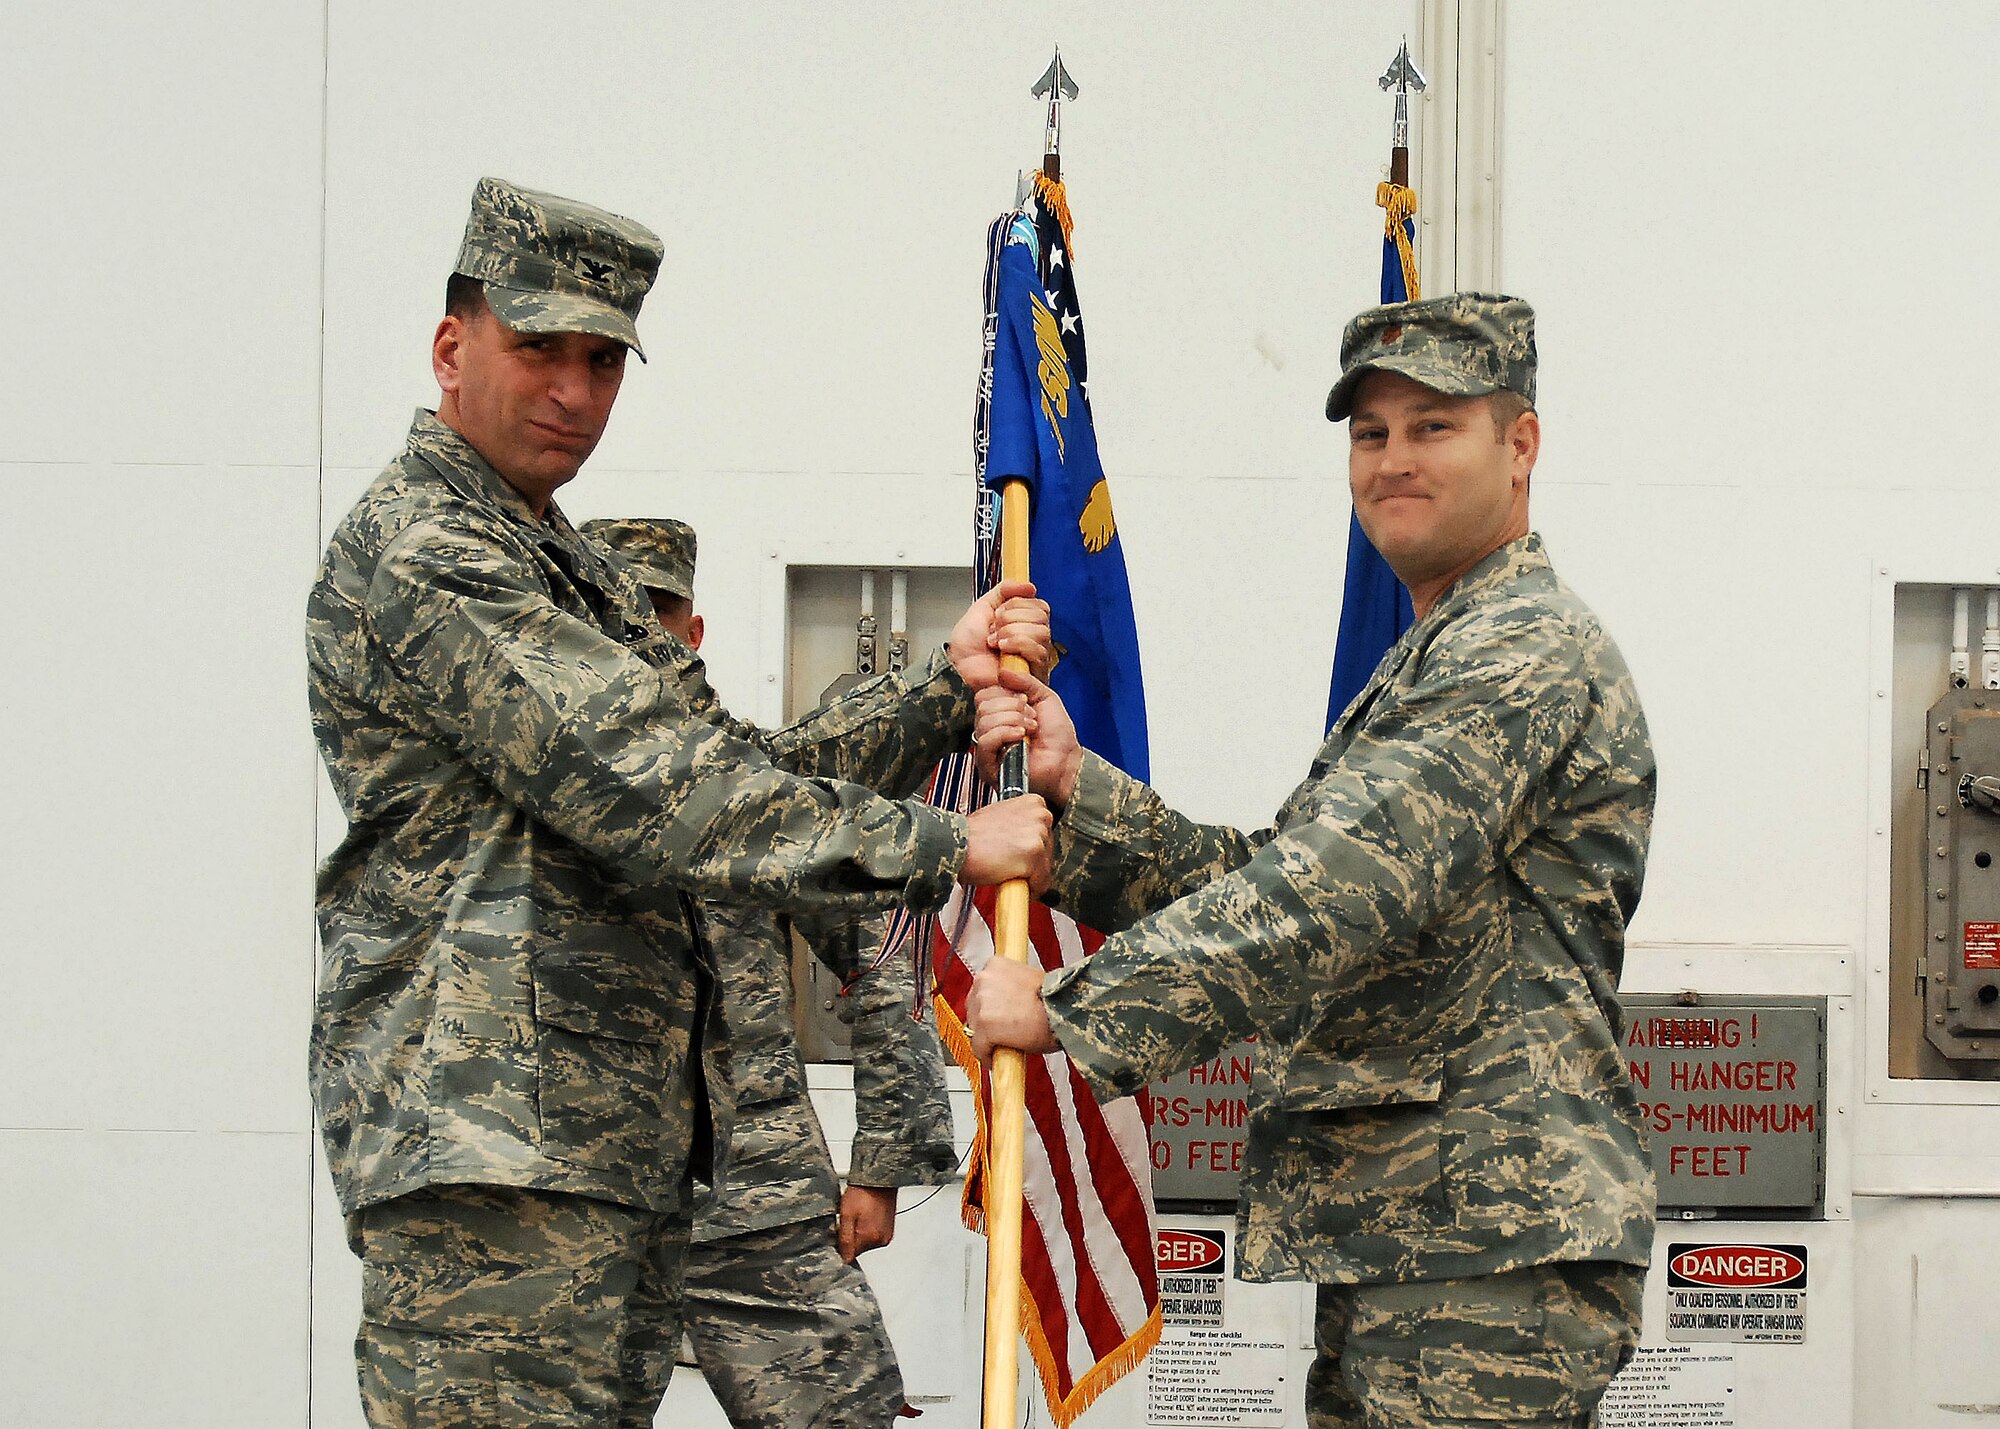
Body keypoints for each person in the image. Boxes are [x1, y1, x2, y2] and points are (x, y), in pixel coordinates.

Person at [308, 176, 1053, 1429]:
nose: (572, 391)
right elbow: (649, 784)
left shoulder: (568, 560)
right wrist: (942, 843)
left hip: (606, 1156)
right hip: (496, 1165)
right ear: (452, 346)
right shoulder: (430, 551)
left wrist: (941, 685)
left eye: (601, 360)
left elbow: (725, 756)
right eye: (537, 346)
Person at [966, 292, 1657, 1428]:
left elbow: (1334, 889)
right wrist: (1073, 791)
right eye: (1368, 431)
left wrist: (1070, 1006)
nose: (1391, 459)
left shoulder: (1518, 650)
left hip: (1486, 1246)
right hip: (1421, 1233)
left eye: (1432, 425)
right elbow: (1280, 869)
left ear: (1518, 442)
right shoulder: (1440, 648)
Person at [582, 516, 958, 1428]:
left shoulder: (755, 787)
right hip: (591, 1195)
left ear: (693, 632)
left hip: (759, 1205)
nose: (635, 638)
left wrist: (881, 1163)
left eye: (656, 614)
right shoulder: (542, 787)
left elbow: (883, 958)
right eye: (611, 615)